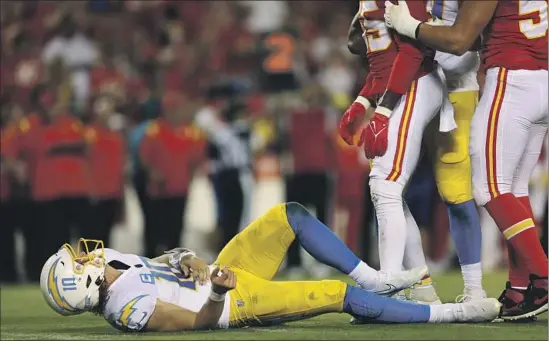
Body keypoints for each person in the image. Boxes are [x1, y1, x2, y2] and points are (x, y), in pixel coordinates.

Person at [40, 202, 501, 332]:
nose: (86, 254)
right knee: (336, 297)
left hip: (220, 269)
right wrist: (219, 290)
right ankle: (451, 314)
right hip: (232, 303)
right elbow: (195, 323)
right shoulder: (128, 309)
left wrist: (188, 259)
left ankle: (374, 278)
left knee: (290, 216)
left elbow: (163, 262)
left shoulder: (115, 264)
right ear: (82, 281)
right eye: (78, 261)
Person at [384, 0, 548, 321]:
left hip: (513, 81)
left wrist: (409, 26)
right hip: (541, 77)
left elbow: (460, 41)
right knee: (514, 190)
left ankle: (542, 274)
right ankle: (520, 287)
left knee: (488, 188)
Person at [339, 0, 450, 304]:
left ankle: (387, 285)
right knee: (388, 190)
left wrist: (383, 111)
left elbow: (413, 53)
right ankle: (421, 285)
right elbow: (381, 61)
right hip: (399, 85)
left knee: (384, 184)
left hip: (417, 82)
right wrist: (361, 104)